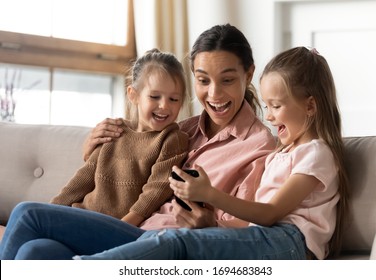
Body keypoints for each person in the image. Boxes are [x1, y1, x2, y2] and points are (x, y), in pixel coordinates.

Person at [0, 24, 275, 260]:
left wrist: (209, 223)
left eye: (227, 80)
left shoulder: (259, 146)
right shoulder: (184, 129)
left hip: (160, 244)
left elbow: (251, 230)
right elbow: (131, 153)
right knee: (35, 252)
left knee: (28, 213)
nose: (214, 93)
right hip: (129, 235)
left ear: (248, 75)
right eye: (203, 80)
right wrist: (91, 149)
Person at [74, 46, 349, 260]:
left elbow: (269, 214)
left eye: (276, 106)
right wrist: (94, 150)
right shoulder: (283, 152)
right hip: (268, 237)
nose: (270, 116)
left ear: (310, 106)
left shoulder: (316, 153)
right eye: (267, 106)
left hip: (288, 242)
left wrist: (209, 195)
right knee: (159, 241)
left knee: (173, 241)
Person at [50, 49, 189, 226]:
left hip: (116, 228)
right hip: (82, 216)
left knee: (26, 213)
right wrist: (50, 211)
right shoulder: (114, 130)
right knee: (33, 245)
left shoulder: (172, 139)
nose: (164, 105)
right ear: (133, 95)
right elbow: (80, 182)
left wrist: (119, 229)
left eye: (174, 99)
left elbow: (155, 192)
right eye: (155, 96)